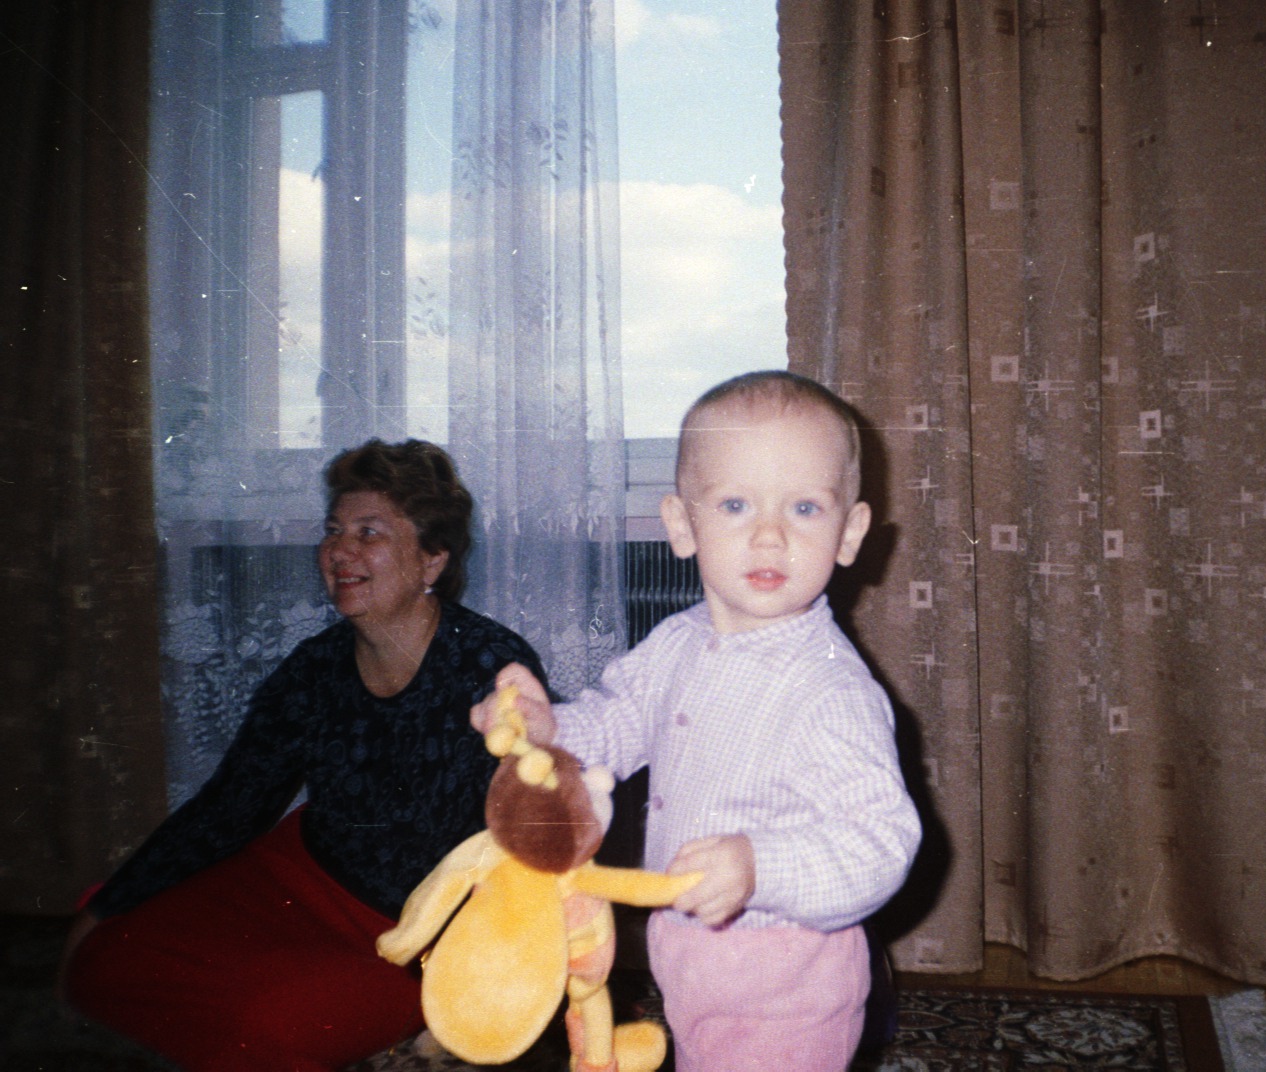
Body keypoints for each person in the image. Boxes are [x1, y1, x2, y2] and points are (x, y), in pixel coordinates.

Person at [473, 370, 921, 1072]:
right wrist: (548, 729)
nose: (770, 535)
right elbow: (619, 722)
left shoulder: (831, 691)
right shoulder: (678, 643)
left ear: (849, 532)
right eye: (737, 504)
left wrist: (760, 866)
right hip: (688, 956)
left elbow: (880, 842)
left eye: (804, 508)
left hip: (787, 983)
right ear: (682, 524)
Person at [60, 439, 548, 1072]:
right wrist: (108, 904)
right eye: (333, 531)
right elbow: (230, 805)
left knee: (272, 1031)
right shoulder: (313, 669)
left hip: (417, 931)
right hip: (297, 879)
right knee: (107, 960)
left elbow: (519, 852)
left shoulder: (493, 671)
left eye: (368, 532)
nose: (339, 551)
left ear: (431, 560)